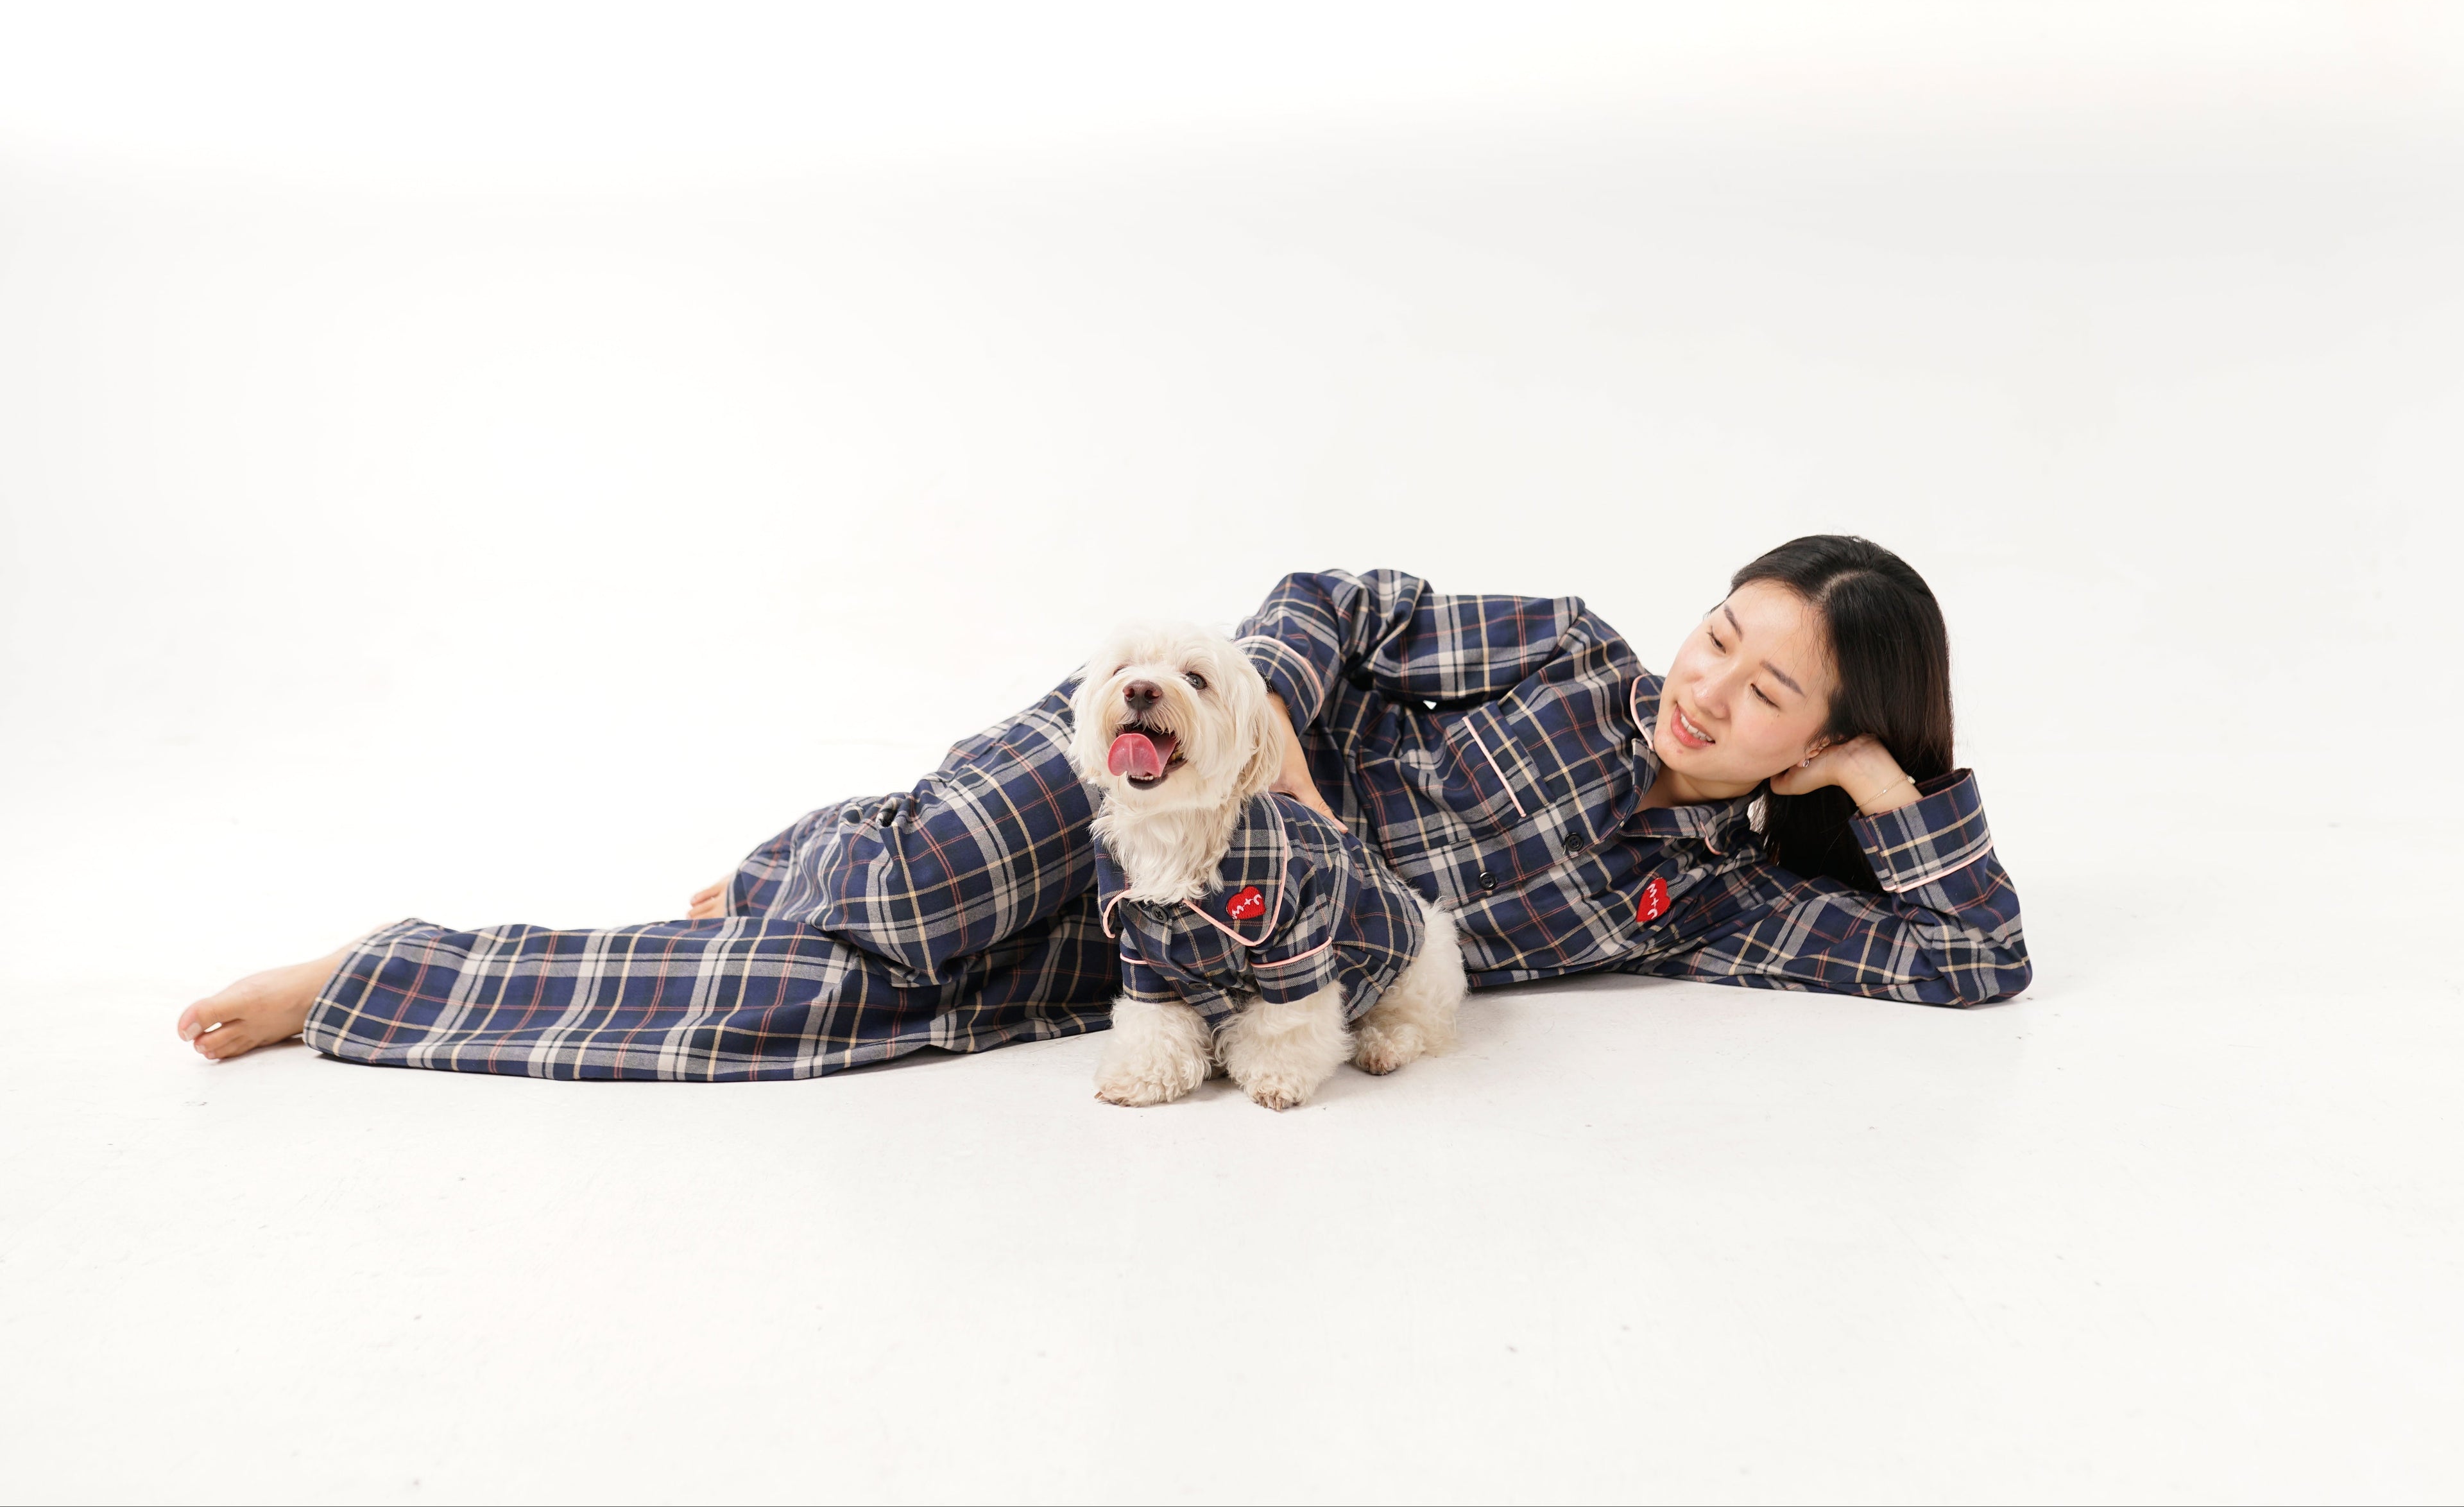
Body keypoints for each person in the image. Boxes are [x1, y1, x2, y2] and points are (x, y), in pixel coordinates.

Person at [175, 535, 2029, 1080]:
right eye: (1725, 631)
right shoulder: (1564, 647)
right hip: (1169, 762)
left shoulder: (1711, 896)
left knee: (816, 1007)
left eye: (1768, 692)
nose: (1705, 684)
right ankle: (790, 866)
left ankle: (367, 979)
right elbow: (1342, 596)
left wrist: (1899, 788)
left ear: (1811, 746)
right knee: (899, 889)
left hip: (1198, 957)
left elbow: (1978, 961)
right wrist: (1283, 719)